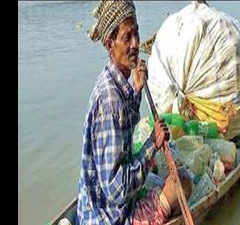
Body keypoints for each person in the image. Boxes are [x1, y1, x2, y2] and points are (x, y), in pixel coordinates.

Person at [76, 1, 192, 225]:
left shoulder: (113, 82)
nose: (136, 44)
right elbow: (117, 191)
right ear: (110, 43)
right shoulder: (109, 100)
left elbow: (123, 133)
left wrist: (136, 92)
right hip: (111, 218)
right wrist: (152, 146)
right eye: (127, 38)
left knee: (160, 170)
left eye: (136, 34)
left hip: (102, 208)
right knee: (183, 182)